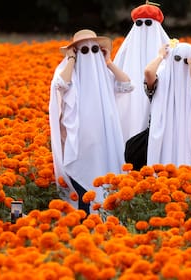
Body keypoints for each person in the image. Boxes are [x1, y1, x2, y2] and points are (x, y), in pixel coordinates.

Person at [49, 29, 134, 213]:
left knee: (105, 177)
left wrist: (109, 62)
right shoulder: (68, 73)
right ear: (76, 53)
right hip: (80, 140)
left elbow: (127, 84)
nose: (91, 54)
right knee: (82, 180)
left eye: (95, 49)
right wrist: (71, 60)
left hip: (105, 139)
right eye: (84, 51)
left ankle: (106, 216)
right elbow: (60, 85)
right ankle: (85, 219)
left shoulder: (105, 75)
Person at [144, 41, 191, 166]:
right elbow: (148, 72)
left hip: (186, 139)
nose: (181, 65)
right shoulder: (161, 78)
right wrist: (161, 56)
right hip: (162, 138)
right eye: (177, 59)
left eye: (186, 62)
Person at [114, 1, 170, 142]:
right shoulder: (125, 50)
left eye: (149, 24)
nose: (144, 28)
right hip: (130, 101)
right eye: (139, 24)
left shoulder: (169, 50)